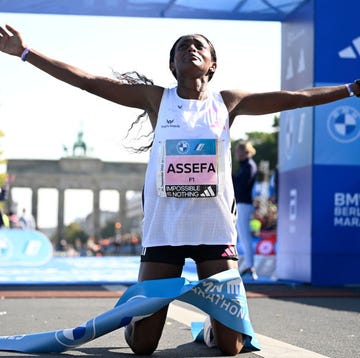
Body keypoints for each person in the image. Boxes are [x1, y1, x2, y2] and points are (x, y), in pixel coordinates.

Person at [0, 24, 359, 356]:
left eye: (198, 45)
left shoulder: (228, 102)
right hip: (165, 231)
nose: (190, 48)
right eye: (181, 47)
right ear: (173, 66)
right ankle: (137, 321)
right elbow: (88, 81)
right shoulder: (158, 99)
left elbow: (294, 96)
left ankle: (211, 325)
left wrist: (349, 89)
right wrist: (26, 52)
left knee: (231, 347)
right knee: (143, 347)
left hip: (215, 231)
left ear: (212, 64)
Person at [232, 141, 258, 280]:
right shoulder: (245, 166)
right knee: (242, 237)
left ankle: (250, 267)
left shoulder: (249, 166)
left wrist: (229, 175)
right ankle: (248, 266)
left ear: (244, 152)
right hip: (241, 203)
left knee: (244, 237)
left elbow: (240, 186)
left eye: (238, 152)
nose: (237, 155)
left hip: (244, 204)